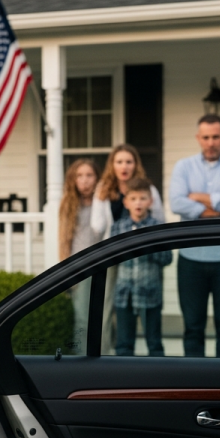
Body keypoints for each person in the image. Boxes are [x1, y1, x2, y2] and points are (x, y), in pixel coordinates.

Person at [169, 114, 220, 357]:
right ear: (198, 138)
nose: (211, 142)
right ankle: (193, 383)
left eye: (216, 137)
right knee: (192, 327)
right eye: (205, 137)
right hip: (190, 257)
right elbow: (176, 202)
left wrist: (196, 197)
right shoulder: (183, 166)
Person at [91, 144, 165, 354]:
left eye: (129, 161)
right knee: (110, 307)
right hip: (113, 253)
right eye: (119, 162)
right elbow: (97, 226)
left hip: (145, 257)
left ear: (135, 164)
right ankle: (105, 353)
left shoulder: (147, 188)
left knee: (150, 306)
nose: (124, 166)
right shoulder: (104, 188)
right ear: (112, 165)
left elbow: (160, 221)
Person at [110, 177, 172, 356]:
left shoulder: (158, 228)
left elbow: (167, 258)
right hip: (124, 294)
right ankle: (124, 379)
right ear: (126, 202)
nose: (138, 203)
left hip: (150, 293)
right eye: (134, 198)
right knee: (123, 344)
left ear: (150, 201)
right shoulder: (118, 227)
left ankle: (157, 379)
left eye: (143, 198)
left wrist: (147, 247)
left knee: (154, 343)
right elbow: (112, 259)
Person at [59, 158, 102, 346]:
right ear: (73, 180)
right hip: (79, 269)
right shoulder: (69, 205)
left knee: (103, 317)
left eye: (89, 175)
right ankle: (81, 359)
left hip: (103, 265)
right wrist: (66, 273)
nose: (84, 180)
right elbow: (64, 242)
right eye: (79, 176)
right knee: (83, 318)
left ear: (97, 178)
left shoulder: (103, 204)